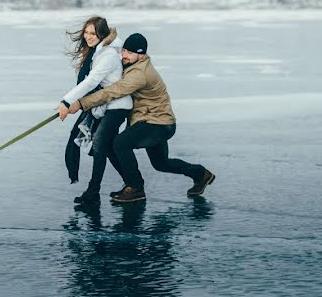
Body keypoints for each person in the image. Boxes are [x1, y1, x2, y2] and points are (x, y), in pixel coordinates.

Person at [69, 33, 215, 202]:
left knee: (120, 143)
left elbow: (113, 91)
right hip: (157, 120)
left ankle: (136, 188)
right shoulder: (133, 64)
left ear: (142, 54)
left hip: (157, 124)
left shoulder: (139, 74)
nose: (124, 55)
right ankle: (201, 174)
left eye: (130, 53)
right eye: (124, 51)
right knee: (161, 163)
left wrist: (81, 103)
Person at [58, 17, 133, 204]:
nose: (88, 37)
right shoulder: (99, 52)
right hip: (106, 105)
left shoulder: (108, 54)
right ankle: (133, 183)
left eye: (93, 33)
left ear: (102, 34)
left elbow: (91, 81)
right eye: (86, 32)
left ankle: (93, 192)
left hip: (117, 106)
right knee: (106, 147)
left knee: (100, 144)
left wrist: (67, 101)